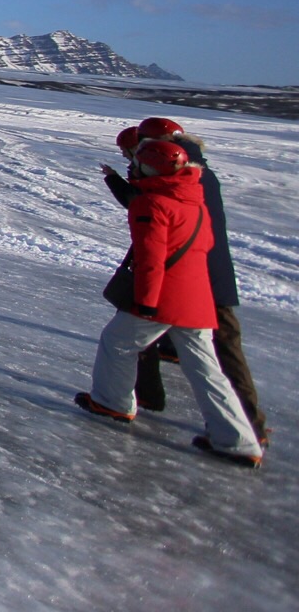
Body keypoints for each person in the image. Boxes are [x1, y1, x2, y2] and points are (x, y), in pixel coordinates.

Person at [77, 138, 263, 468]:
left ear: (148, 168)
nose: (131, 168)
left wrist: (146, 302)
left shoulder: (151, 204)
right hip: (197, 299)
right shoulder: (194, 199)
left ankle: (113, 402)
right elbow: (203, 245)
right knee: (207, 370)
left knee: (117, 342)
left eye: (136, 165)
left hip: (163, 297)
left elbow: (150, 259)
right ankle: (238, 440)